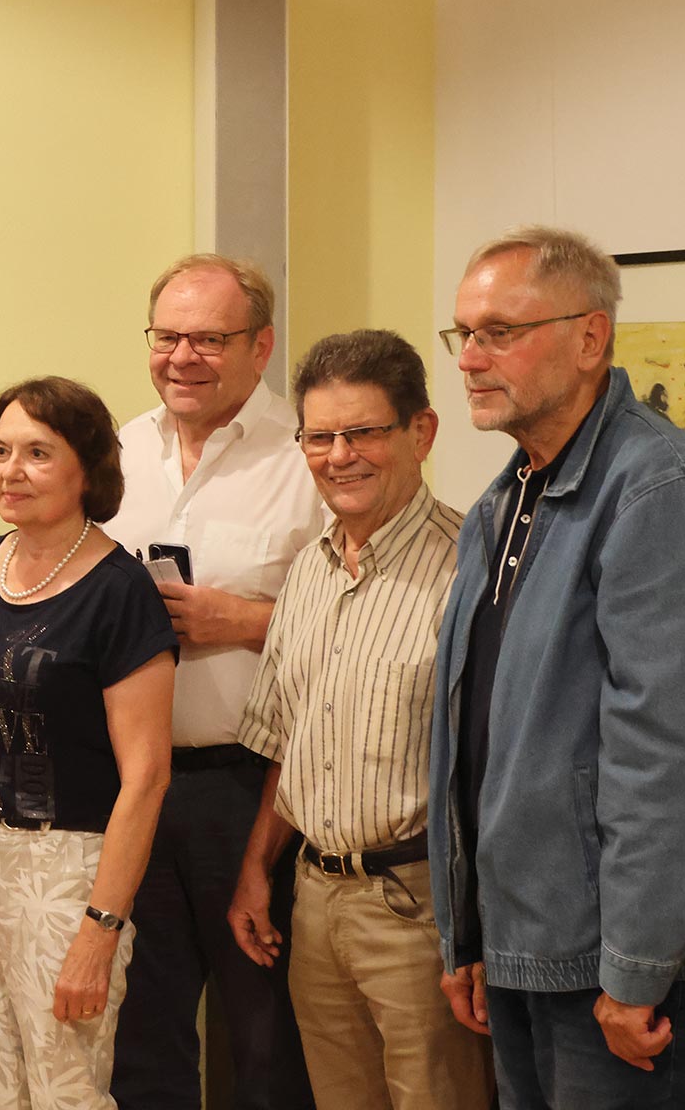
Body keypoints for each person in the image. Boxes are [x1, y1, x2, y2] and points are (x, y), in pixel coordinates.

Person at [429, 226, 685, 1109]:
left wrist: (637, 966)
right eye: (464, 333)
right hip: (527, 941)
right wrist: (471, 932)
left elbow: (669, 753)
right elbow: (476, 738)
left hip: (615, 966)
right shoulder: (504, 498)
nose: (469, 358)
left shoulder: (661, 488)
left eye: (499, 332)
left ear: (589, 338)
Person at [223, 330, 493, 1108]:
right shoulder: (306, 572)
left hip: (420, 912)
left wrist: (478, 933)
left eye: (363, 432)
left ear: (420, 432)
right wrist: (254, 869)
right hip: (313, 902)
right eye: (319, 437)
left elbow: (499, 771)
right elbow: (289, 739)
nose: (338, 456)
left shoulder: (470, 571)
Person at [0, 377, 176, 1108]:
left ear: (86, 469)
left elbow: (147, 776)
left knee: (67, 1090)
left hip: (61, 871)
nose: (11, 470)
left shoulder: (120, 590)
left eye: (37, 453)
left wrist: (99, 931)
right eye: (0, 451)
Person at [104, 255, 322, 1110]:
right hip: (130, 786)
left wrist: (246, 621)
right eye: (166, 336)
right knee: (140, 1034)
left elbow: (357, 624)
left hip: (253, 790)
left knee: (264, 1037)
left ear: (259, 346)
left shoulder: (308, 455)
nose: (181, 357)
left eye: (207, 340)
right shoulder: (118, 451)